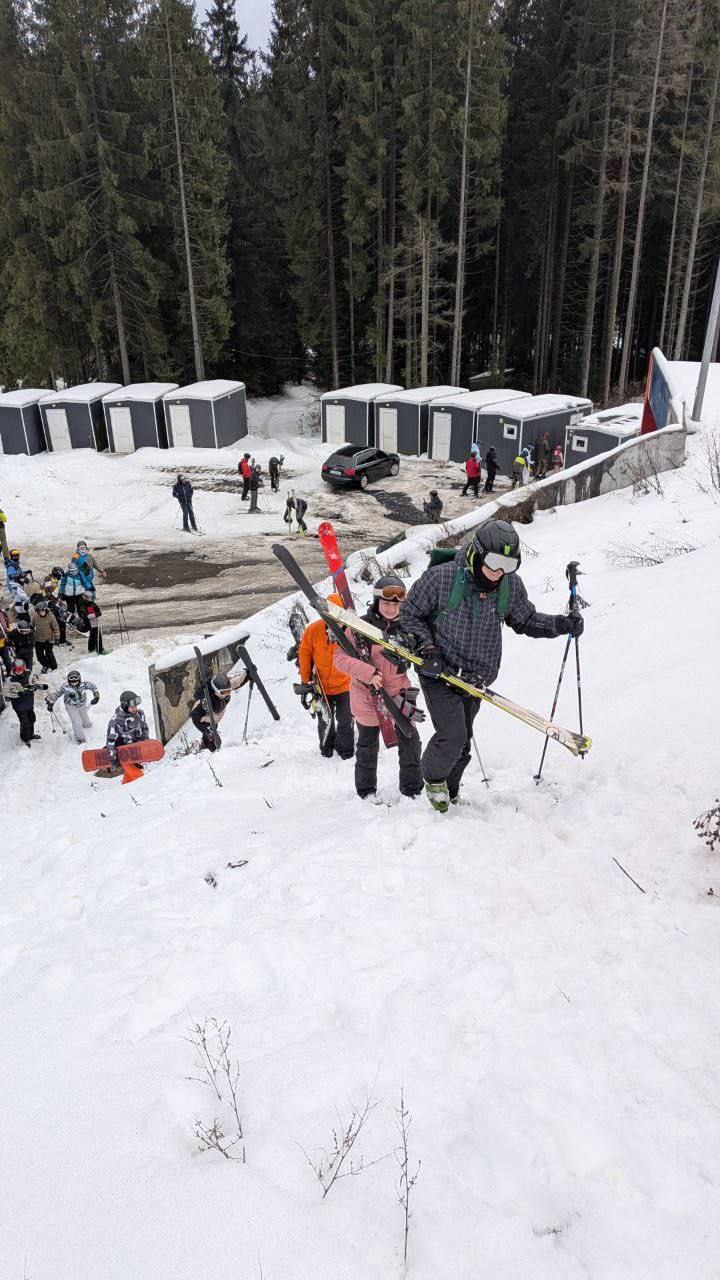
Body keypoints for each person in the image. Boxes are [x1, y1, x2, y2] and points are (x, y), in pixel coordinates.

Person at [400, 519, 584, 812]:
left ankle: (452, 788)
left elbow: (525, 620)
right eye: (494, 562)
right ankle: (434, 779)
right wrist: (427, 648)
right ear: (476, 553)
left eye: (508, 566)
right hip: (440, 670)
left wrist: (561, 624)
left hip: (475, 678)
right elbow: (409, 615)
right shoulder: (442, 578)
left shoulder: (508, 586)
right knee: (453, 735)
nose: (499, 572)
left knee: (463, 742)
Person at [334, 574, 424, 801]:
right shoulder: (360, 627)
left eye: (396, 603)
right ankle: (366, 792)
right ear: (376, 602)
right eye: (386, 603)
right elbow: (340, 659)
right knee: (367, 746)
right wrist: (368, 672)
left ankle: (412, 790)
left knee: (411, 741)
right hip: (366, 697)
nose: (391, 608)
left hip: (399, 694)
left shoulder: (409, 626)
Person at [297, 595, 354, 759]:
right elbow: (305, 654)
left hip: (345, 684)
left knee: (345, 719)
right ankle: (326, 747)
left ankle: (346, 750)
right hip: (320, 686)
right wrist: (305, 680)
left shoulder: (350, 631)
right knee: (324, 720)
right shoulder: (313, 630)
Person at [189, 668, 248, 751]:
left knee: (214, 730)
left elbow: (236, 682)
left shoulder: (224, 689)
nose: (226, 694)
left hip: (217, 715)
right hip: (205, 718)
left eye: (228, 691)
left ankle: (207, 746)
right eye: (223, 692)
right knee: (212, 740)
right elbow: (194, 715)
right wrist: (205, 730)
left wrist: (248, 674)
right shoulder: (206, 699)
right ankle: (208, 750)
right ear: (216, 690)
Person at [98, 691, 149, 778]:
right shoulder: (116, 721)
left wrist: (145, 745)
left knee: (130, 779)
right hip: (123, 755)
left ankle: (125, 789)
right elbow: (111, 743)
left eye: (136, 706)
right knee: (138, 777)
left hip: (136, 753)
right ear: (125, 706)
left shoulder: (140, 714)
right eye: (132, 707)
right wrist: (113, 762)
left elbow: (144, 728)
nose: (135, 708)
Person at [46, 669, 100, 743]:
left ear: (79, 680)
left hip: (82, 704)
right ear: (69, 681)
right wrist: (51, 703)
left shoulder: (84, 684)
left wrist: (96, 697)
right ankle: (80, 738)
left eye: (75, 681)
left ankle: (86, 725)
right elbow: (56, 694)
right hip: (70, 706)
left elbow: (94, 688)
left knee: (85, 718)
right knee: (76, 721)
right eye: (71, 682)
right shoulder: (65, 687)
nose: (74, 683)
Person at [4, 657, 48, 745]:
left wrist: (34, 686)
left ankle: (31, 734)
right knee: (25, 722)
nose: (19, 671)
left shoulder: (28, 673)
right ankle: (25, 737)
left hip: (29, 702)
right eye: (17, 670)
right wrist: (16, 694)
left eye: (21, 669)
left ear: (24, 668)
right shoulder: (10, 680)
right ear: (13, 669)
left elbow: (34, 680)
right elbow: (5, 692)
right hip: (19, 706)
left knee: (32, 719)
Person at [32, 599, 60, 673]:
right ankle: (45, 665)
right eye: (40, 611)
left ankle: (54, 667)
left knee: (49, 654)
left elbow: (56, 627)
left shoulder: (51, 616)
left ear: (46, 609)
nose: (41, 613)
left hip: (48, 639)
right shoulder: (35, 617)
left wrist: (57, 638)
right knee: (39, 656)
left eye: (43, 611)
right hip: (38, 639)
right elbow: (31, 625)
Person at [81, 590, 107, 654]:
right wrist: (95, 614)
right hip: (91, 624)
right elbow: (87, 616)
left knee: (92, 635)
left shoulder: (92, 604)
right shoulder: (84, 606)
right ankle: (99, 650)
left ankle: (91, 648)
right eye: (90, 598)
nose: (92, 599)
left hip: (93, 623)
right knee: (97, 636)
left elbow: (98, 611)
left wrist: (96, 613)